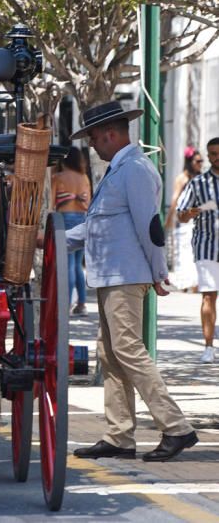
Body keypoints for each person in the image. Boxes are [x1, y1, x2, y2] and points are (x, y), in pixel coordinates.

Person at [66, 100, 197, 462]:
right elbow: (96, 227)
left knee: (128, 351)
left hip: (126, 276)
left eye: (93, 137)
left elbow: (150, 229)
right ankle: (119, 435)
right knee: (111, 355)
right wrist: (52, 242)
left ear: (110, 134)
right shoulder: (117, 170)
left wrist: (159, 273)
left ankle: (176, 427)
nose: (91, 144)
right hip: (111, 275)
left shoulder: (135, 169)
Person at [177, 137, 219, 364]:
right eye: (212, 153)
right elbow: (181, 215)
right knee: (208, 295)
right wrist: (191, 212)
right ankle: (208, 347)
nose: (216, 157)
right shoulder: (197, 183)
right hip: (207, 245)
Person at [51, 147, 91, 315]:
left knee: (67, 264)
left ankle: (65, 304)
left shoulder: (58, 178)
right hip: (82, 218)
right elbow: (88, 202)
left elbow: (51, 201)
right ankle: (81, 303)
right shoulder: (84, 178)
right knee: (78, 265)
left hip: (65, 218)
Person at [165, 146, 202, 291]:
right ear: (190, 161)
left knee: (196, 252)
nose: (200, 164)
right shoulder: (182, 179)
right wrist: (169, 219)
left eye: (201, 161)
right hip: (184, 220)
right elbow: (175, 199)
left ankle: (195, 283)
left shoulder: (200, 178)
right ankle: (186, 283)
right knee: (184, 251)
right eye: (198, 161)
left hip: (198, 220)